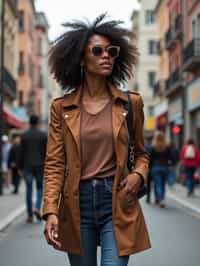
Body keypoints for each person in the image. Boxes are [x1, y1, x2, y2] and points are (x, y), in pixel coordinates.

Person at [42, 14, 151, 266]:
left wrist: (138, 175)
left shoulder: (130, 103)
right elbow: (55, 163)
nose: (106, 56)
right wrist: (50, 210)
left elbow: (142, 153)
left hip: (117, 201)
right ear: (81, 59)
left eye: (111, 51)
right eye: (98, 50)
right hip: (76, 204)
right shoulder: (62, 108)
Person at [18, 115, 47, 223]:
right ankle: (37, 207)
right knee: (40, 188)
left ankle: (30, 215)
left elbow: (21, 153)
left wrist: (20, 167)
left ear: (29, 122)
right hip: (40, 165)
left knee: (29, 190)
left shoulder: (24, 135)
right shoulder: (43, 135)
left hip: (28, 165)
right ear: (38, 122)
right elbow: (46, 153)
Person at [149, 131, 172, 208]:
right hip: (165, 167)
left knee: (158, 184)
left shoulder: (153, 147)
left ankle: (160, 199)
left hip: (155, 167)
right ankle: (161, 199)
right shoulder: (166, 147)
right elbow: (170, 157)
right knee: (162, 184)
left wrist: (149, 167)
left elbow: (150, 159)